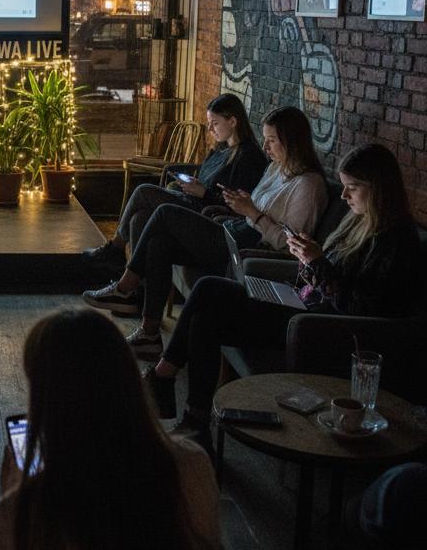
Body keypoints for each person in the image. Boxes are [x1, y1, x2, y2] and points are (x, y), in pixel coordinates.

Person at [144, 144, 421, 441]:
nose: (344, 196)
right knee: (204, 316)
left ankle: (164, 379)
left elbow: (361, 308)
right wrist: (307, 260)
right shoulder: (358, 220)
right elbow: (332, 276)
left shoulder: (396, 240)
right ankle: (194, 420)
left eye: (352, 188)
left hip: (319, 326)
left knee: (209, 289)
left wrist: (317, 263)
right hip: (303, 302)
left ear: (378, 188)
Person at [0, 308, 220, 550]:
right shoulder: (194, 466)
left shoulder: (15, 518)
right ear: (129, 380)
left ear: (46, 398)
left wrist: (18, 495)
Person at [83, 106, 328, 353]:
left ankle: (125, 286)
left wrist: (252, 212)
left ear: (292, 141)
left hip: (248, 247)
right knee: (158, 242)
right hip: (233, 228)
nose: (265, 147)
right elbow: (255, 209)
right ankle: (149, 334)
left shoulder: (309, 185)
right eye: (265, 139)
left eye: (272, 140)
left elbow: (288, 244)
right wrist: (242, 204)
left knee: (163, 211)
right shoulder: (276, 168)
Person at [83, 93, 267, 277]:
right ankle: (135, 282)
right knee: (139, 218)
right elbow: (207, 179)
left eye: (215, 123)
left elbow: (238, 204)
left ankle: (115, 248)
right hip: (193, 200)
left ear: (233, 121)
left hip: (206, 214)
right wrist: (193, 183)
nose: (210, 129)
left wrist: (204, 193)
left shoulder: (248, 157)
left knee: (143, 191)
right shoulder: (221, 148)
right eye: (209, 123)